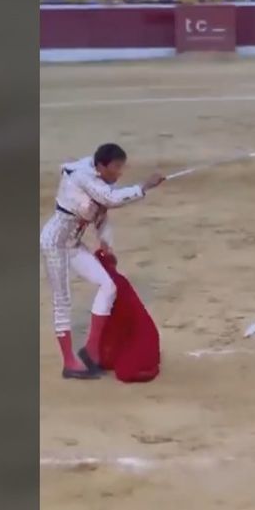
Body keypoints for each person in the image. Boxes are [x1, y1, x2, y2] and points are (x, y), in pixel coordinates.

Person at [41, 143, 163, 379]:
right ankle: (69, 363)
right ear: (101, 166)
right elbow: (109, 199)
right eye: (116, 167)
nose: (119, 172)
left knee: (109, 286)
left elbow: (101, 213)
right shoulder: (83, 178)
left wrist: (106, 243)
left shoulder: (98, 177)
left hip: (72, 244)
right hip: (54, 242)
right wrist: (143, 186)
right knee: (62, 300)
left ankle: (92, 350)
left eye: (121, 167)